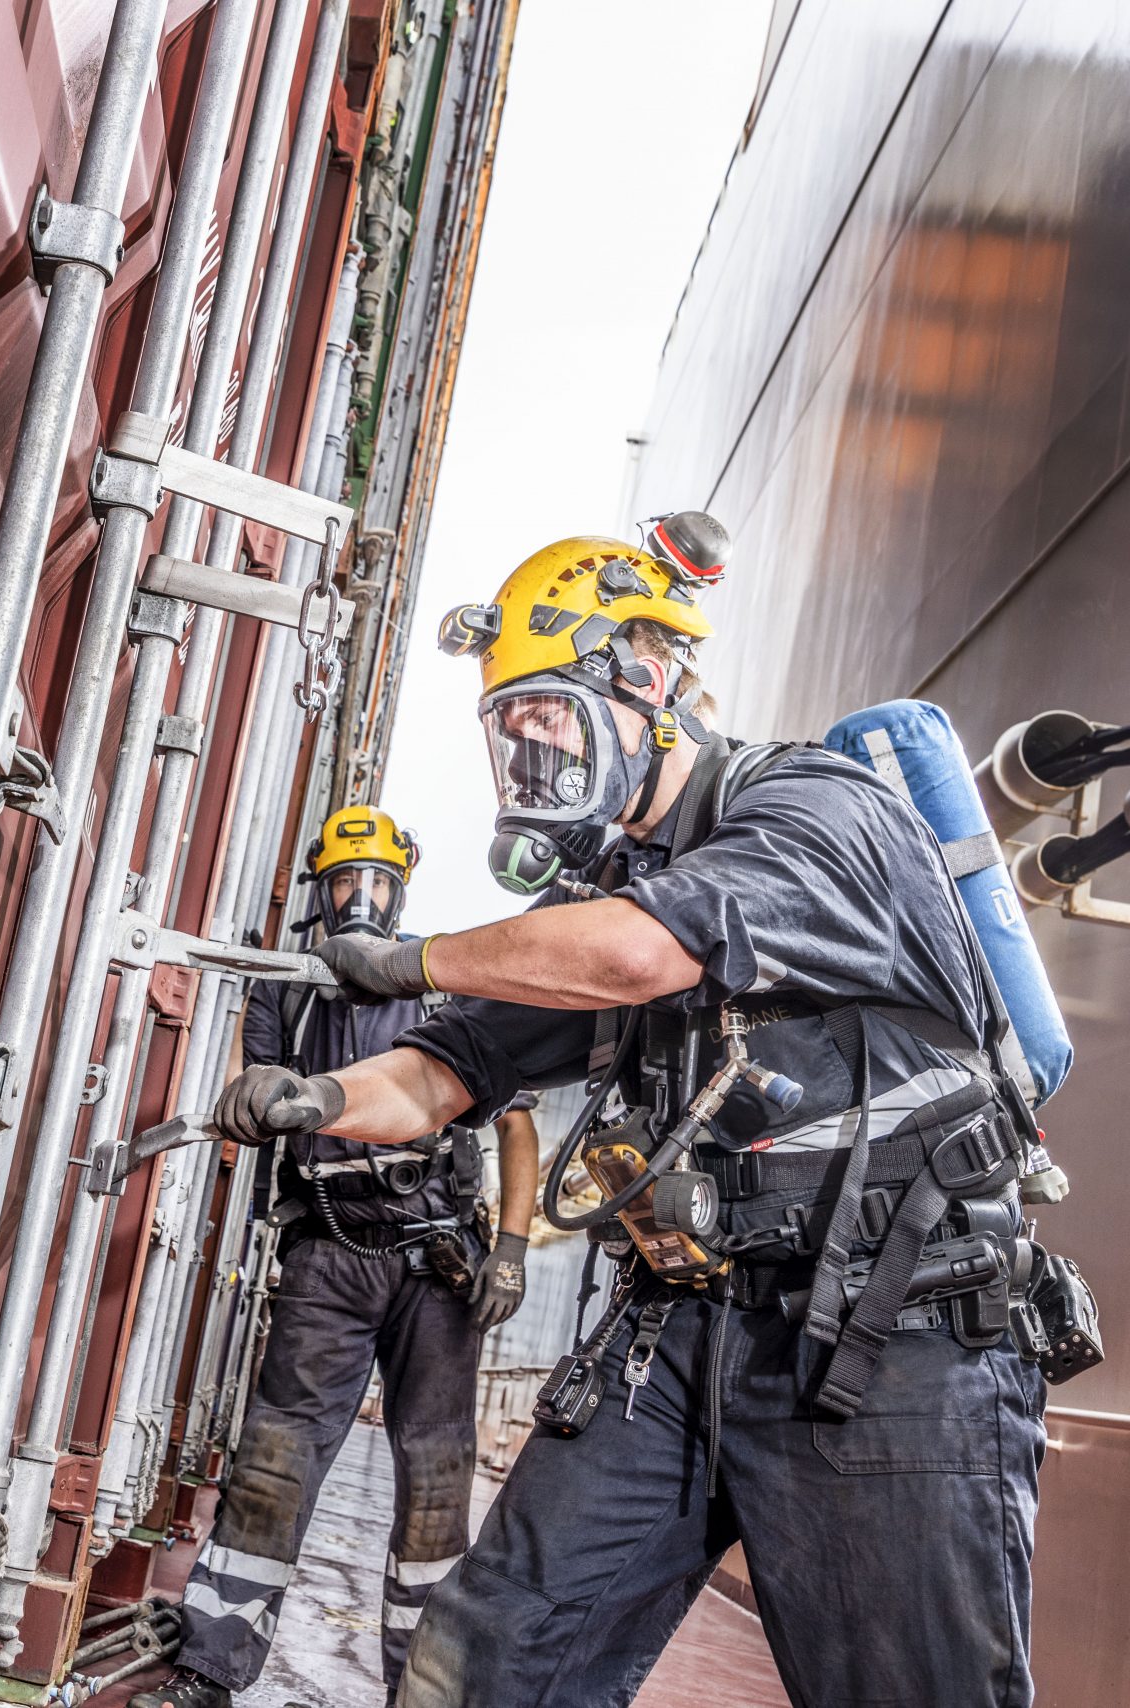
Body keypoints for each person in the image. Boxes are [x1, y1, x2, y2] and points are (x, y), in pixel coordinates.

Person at [211, 520, 1058, 1708]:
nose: (523, 752)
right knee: (478, 1662)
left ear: (645, 678)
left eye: (543, 716)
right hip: (680, 1330)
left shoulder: (817, 808)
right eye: (505, 728)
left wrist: (406, 957)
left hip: (888, 1330)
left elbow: (634, 955)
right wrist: (313, 1099)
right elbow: (447, 1071)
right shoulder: (606, 896)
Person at [137, 807, 540, 1708]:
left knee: (436, 1481)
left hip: (438, 1268)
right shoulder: (288, 987)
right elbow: (256, 1096)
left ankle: (427, 1691)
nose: (360, 897)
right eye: (344, 882)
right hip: (326, 1251)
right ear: (320, 891)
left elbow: (515, 1123)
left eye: (377, 883)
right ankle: (209, 1668)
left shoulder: (441, 987)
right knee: (274, 1460)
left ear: (403, 889)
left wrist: (509, 1251)